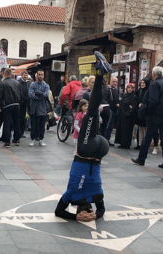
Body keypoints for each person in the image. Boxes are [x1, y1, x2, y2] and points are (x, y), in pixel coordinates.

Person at [55, 51, 111, 222]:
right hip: (87, 149)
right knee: (93, 109)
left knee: (93, 110)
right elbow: (59, 212)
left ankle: (100, 73)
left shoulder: (97, 196)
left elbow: (101, 210)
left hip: (100, 150)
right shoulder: (71, 195)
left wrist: (95, 215)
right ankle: (99, 72)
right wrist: (76, 217)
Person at [132, 66, 163, 168]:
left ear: (154, 74)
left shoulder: (155, 84)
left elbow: (153, 100)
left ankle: (141, 159)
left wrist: (148, 112)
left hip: (155, 115)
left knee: (148, 137)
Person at [0, 68, 21, 148]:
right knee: (16, 122)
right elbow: (20, 94)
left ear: (4, 74)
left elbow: (0, 96)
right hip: (16, 104)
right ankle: (17, 139)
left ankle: (7, 141)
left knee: (7, 123)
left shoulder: (3, 83)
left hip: (7, 105)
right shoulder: (17, 83)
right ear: (11, 74)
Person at [28, 69, 50, 147]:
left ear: (43, 76)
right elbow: (30, 95)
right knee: (33, 124)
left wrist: (37, 93)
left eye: (42, 75)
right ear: (36, 75)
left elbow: (46, 95)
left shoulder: (46, 85)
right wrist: (41, 95)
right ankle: (32, 139)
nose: (40, 76)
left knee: (42, 124)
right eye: (39, 74)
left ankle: (41, 139)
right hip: (33, 106)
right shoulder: (32, 85)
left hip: (42, 107)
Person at [115, 83, 137, 148]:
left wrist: (128, 113)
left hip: (128, 117)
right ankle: (122, 142)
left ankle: (126, 144)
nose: (130, 89)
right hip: (122, 115)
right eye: (128, 88)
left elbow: (133, 107)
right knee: (122, 129)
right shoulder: (125, 95)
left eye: (131, 88)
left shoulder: (134, 97)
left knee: (127, 130)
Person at [134, 78, 150, 150]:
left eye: (144, 83)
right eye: (141, 83)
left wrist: (143, 105)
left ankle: (144, 144)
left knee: (145, 129)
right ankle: (139, 144)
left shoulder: (149, 91)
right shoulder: (139, 91)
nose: (142, 84)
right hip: (139, 112)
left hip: (145, 112)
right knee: (140, 128)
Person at [106, 77, 120, 146]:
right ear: (110, 81)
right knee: (107, 125)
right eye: (113, 81)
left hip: (115, 110)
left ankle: (107, 139)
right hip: (109, 110)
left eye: (116, 82)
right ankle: (105, 139)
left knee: (111, 126)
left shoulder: (116, 90)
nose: (115, 83)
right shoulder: (108, 89)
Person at [19, 71, 31, 138]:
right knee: (21, 118)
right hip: (21, 103)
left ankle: (23, 131)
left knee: (26, 118)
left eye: (26, 75)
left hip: (28, 103)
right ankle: (20, 132)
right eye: (24, 75)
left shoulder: (29, 83)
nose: (25, 76)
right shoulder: (19, 83)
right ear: (21, 75)